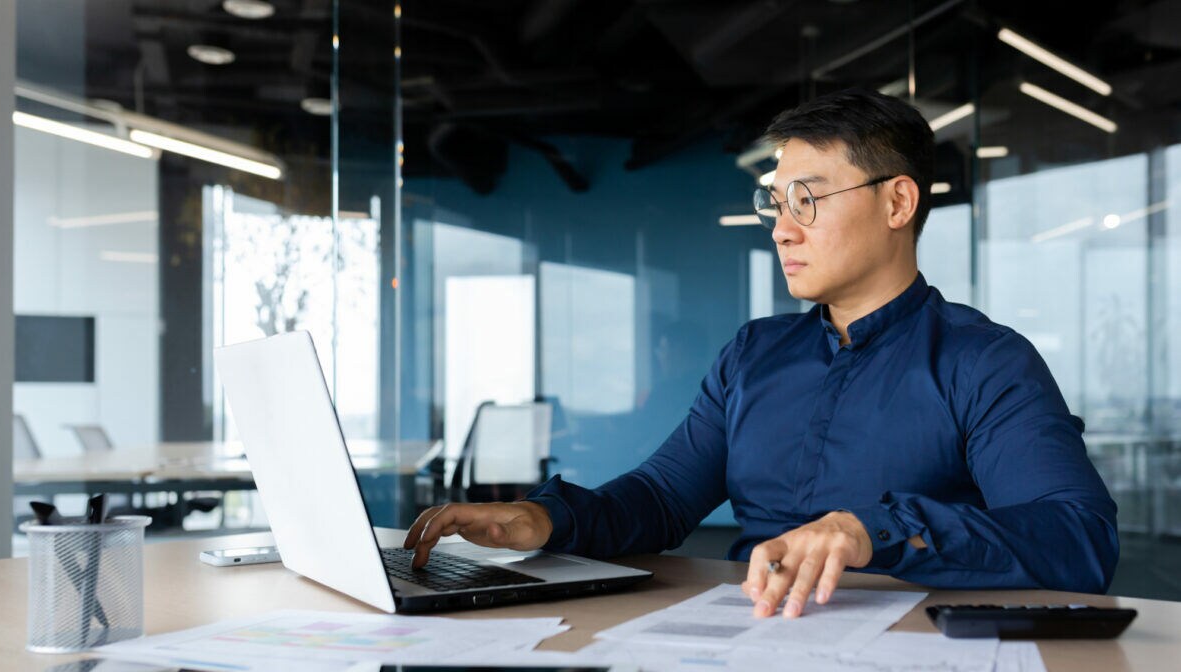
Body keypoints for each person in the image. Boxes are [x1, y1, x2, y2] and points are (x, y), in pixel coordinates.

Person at [404, 88, 1119, 620]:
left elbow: (1077, 538)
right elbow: (660, 497)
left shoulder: (984, 361)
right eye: (774, 204)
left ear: (898, 203)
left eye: (805, 201)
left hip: (906, 647)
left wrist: (875, 530)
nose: (781, 229)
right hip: (746, 636)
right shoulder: (754, 353)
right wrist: (543, 520)